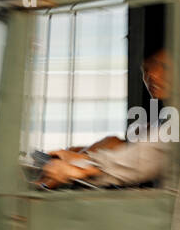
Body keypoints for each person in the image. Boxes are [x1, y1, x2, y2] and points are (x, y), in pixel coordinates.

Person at [38, 48, 172, 188]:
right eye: (146, 69)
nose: (152, 75)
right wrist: (77, 154)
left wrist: (80, 169)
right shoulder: (163, 120)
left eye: (164, 67)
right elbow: (124, 145)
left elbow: (140, 159)